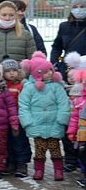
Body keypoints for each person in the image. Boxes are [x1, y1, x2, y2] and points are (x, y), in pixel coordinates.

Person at [18, 52, 71, 181]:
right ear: (38, 74)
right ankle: (39, 170)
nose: (50, 73)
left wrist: (61, 120)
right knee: (40, 149)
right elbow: (23, 105)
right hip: (37, 124)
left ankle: (58, 170)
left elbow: (63, 103)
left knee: (55, 148)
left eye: (51, 71)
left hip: (54, 123)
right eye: (46, 71)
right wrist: (28, 122)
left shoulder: (56, 87)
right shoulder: (29, 88)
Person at [2, 58, 31, 177]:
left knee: (20, 141)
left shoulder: (22, 85)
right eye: (8, 71)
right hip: (5, 119)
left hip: (18, 118)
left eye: (14, 70)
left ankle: (22, 163)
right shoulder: (1, 86)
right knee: (7, 142)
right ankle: (11, 162)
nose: (11, 73)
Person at [50, 0, 86, 76]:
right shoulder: (64, 26)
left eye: (82, 7)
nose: (78, 10)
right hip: (67, 70)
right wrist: (56, 62)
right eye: (75, 7)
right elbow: (57, 47)